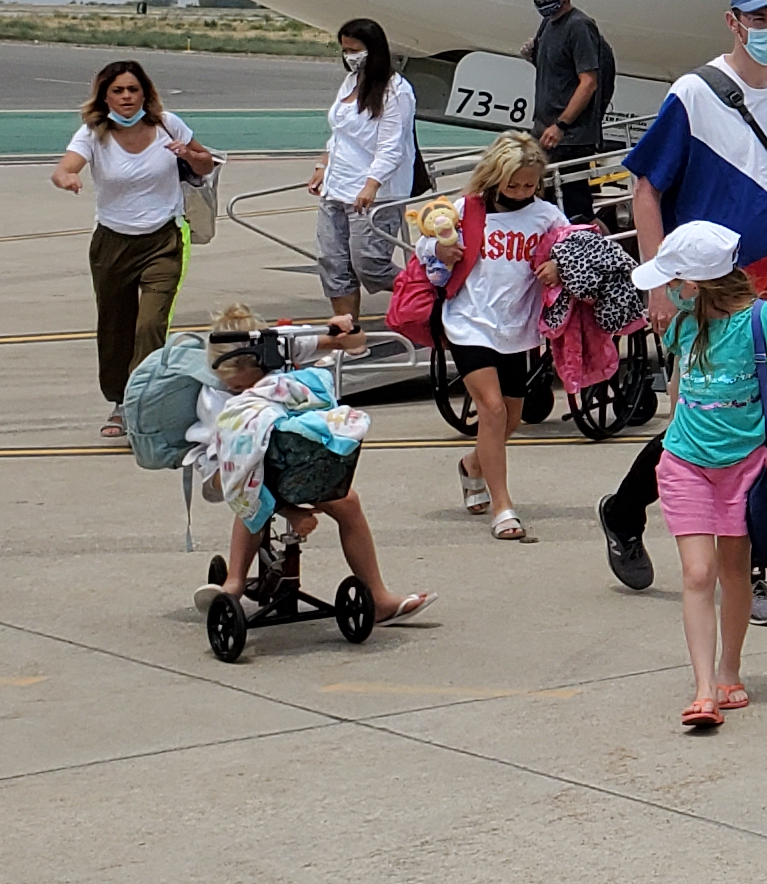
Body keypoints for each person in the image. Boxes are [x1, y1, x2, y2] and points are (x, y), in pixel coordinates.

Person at [598, 0, 767, 610]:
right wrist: (657, 280)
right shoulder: (695, 92)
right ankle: (642, 517)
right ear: (733, 22)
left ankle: (748, 548)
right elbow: (644, 185)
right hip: (708, 281)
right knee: (714, 414)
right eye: (758, 19)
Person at [628, 221, 767, 737]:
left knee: (734, 572)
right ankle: (704, 687)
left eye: (674, 280)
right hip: (684, 463)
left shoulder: (761, 320)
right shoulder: (684, 324)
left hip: (745, 467)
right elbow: (680, 391)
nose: (669, 290)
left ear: (696, 283)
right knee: (698, 574)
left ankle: (730, 669)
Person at [184, 309, 430, 626]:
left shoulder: (283, 348)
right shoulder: (215, 398)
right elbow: (233, 472)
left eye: (248, 385)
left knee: (348, 503)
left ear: (264, 362)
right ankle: (234, 581)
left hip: (289, 458)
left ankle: (378, 597)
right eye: (234, 388)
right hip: (232, 469)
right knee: (251, 502)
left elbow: (354, 341)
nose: (241, 393)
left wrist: (344, 328)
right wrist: (291, 512)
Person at [52, 60, 222, 437]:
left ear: (145, 92)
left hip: (164, 238)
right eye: (117, 91)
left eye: (132, 89)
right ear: (105, 96)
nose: (126, 97)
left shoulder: (168, 124)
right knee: (115, 328)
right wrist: (67, 177)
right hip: (112, 243)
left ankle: (141, 404)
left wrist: (190, 157)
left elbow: (206, 162)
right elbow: (66, 166)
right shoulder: (93, 134)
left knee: (150, 323)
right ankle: (119, 400)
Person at [425, 131, 566, 542]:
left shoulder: (545, 215)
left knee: (512, 417)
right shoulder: (466, 209)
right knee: (491, 409)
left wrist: (557, 264)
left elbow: (574, 244)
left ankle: (473, 464)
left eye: (529, 184)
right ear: (495, 176)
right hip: (469, 320)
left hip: (516, 327)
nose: (522, 191)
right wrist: (440, 251)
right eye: (514, 183)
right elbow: (425, 243)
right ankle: (503, 506)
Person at [305, 20, 417, 353]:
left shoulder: (396, 90)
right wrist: (322, 165)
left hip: (374, 192)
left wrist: (371, 184)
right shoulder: (350, 81)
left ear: (374, 50)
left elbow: (391, 144)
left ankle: (429, 294)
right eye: (345, 50)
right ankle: (350, 341)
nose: (349, 57)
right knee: (333, 264)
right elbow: (340, 131)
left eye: (355, 50)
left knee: (371, 264)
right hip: (336, 187)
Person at [525, 0, 616, 220]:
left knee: (575, 209)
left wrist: (561, 125)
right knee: (546, 202)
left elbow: (588, 82)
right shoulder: (547, 24)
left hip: (570, 137)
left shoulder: (579, 26)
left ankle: (597, 251)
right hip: (545, 131)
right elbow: (560, 72)